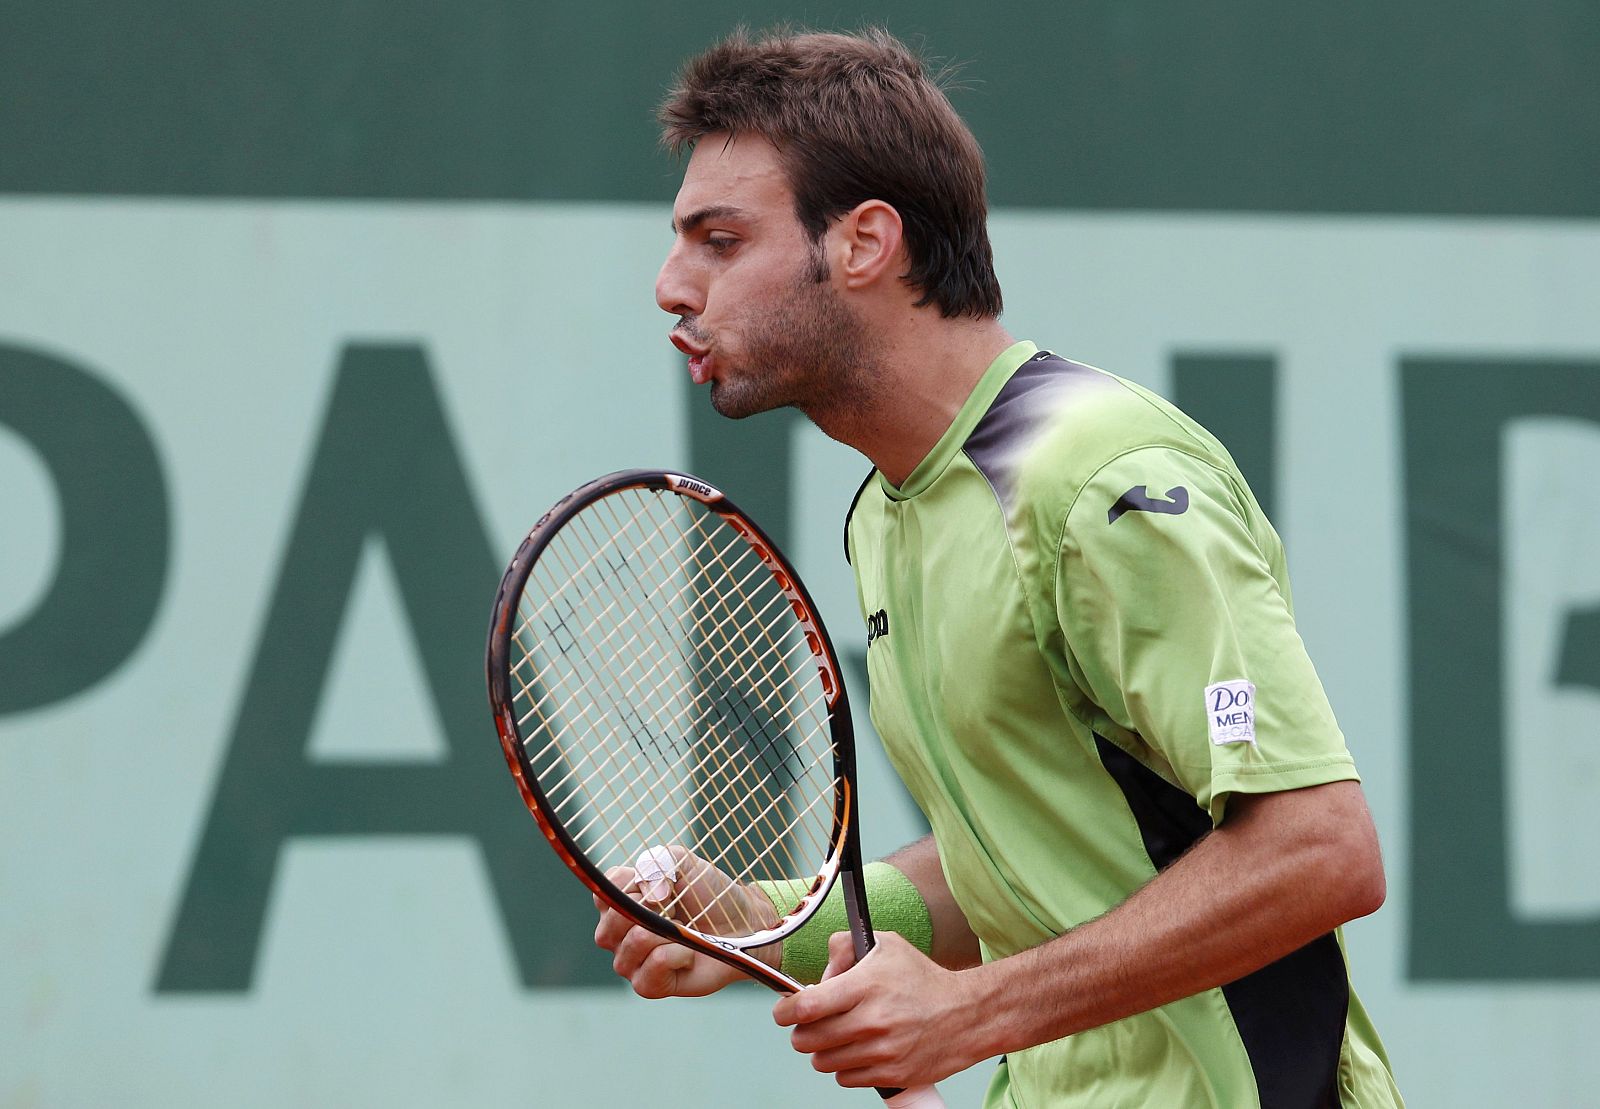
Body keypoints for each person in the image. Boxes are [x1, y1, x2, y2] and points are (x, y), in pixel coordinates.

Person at [595, 26, 1404, 1108]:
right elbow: (1030, 861)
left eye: (719, 240)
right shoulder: (887, 513)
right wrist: (761, 921)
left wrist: (966, 1013)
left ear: (864, 242)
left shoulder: (1100, 479)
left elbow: (1317, 852)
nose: (670, 285)